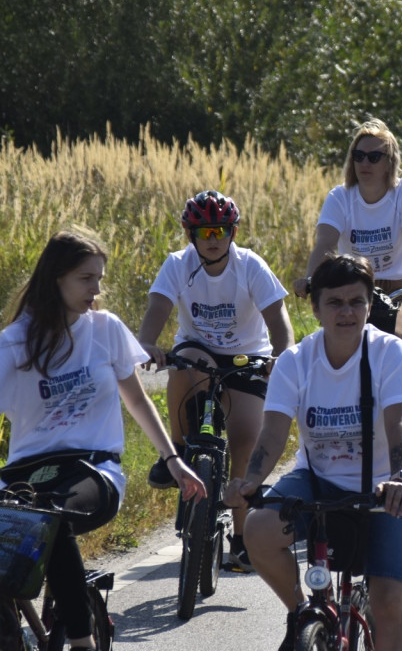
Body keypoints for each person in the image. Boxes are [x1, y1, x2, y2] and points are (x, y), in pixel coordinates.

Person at [0, 230, 205, 651]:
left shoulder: (105, 329)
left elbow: (136, 398)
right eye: (86, 279)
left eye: (100, 278)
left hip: (93, 468)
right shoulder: (14, 343)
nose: (97, 290)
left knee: (48, 519)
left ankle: (82, 642)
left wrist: (173, 460)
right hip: (25, 470)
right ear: (56, 278)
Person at [225, 254, 402, 651]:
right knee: (258, 530)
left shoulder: (389, 353)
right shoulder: (296, 362)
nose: (347, 312)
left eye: (357, 302)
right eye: (335, 302)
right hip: (318, 482)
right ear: (315, 308)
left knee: (389, 604)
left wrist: (401, 478)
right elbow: (272, 434)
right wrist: (249, 483)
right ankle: (303, 613)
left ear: (370, 305)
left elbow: (399, 424)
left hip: (387, 490)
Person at [137, 190, 293, 571]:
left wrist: (281, 357)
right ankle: (173, 450)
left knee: (245, 443)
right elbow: (156, 313)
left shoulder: (251, 266)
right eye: (204, 232)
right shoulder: (177, 264)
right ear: (191, 235)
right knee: (185, 359)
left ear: (233, 232)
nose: (213, 239)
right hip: (199, 350)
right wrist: (147, 344)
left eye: (220, 231)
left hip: (247, 357)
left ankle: (239, 541)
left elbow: (280, 325)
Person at [294, 118, 402, 343]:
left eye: (373, 157)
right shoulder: (340, 197)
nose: (364, 163)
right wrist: (309, 278)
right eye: (358, 156)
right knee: (344, 343)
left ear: (389, 162)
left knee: (393, 341)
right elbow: (325, 245)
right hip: (354, 288)